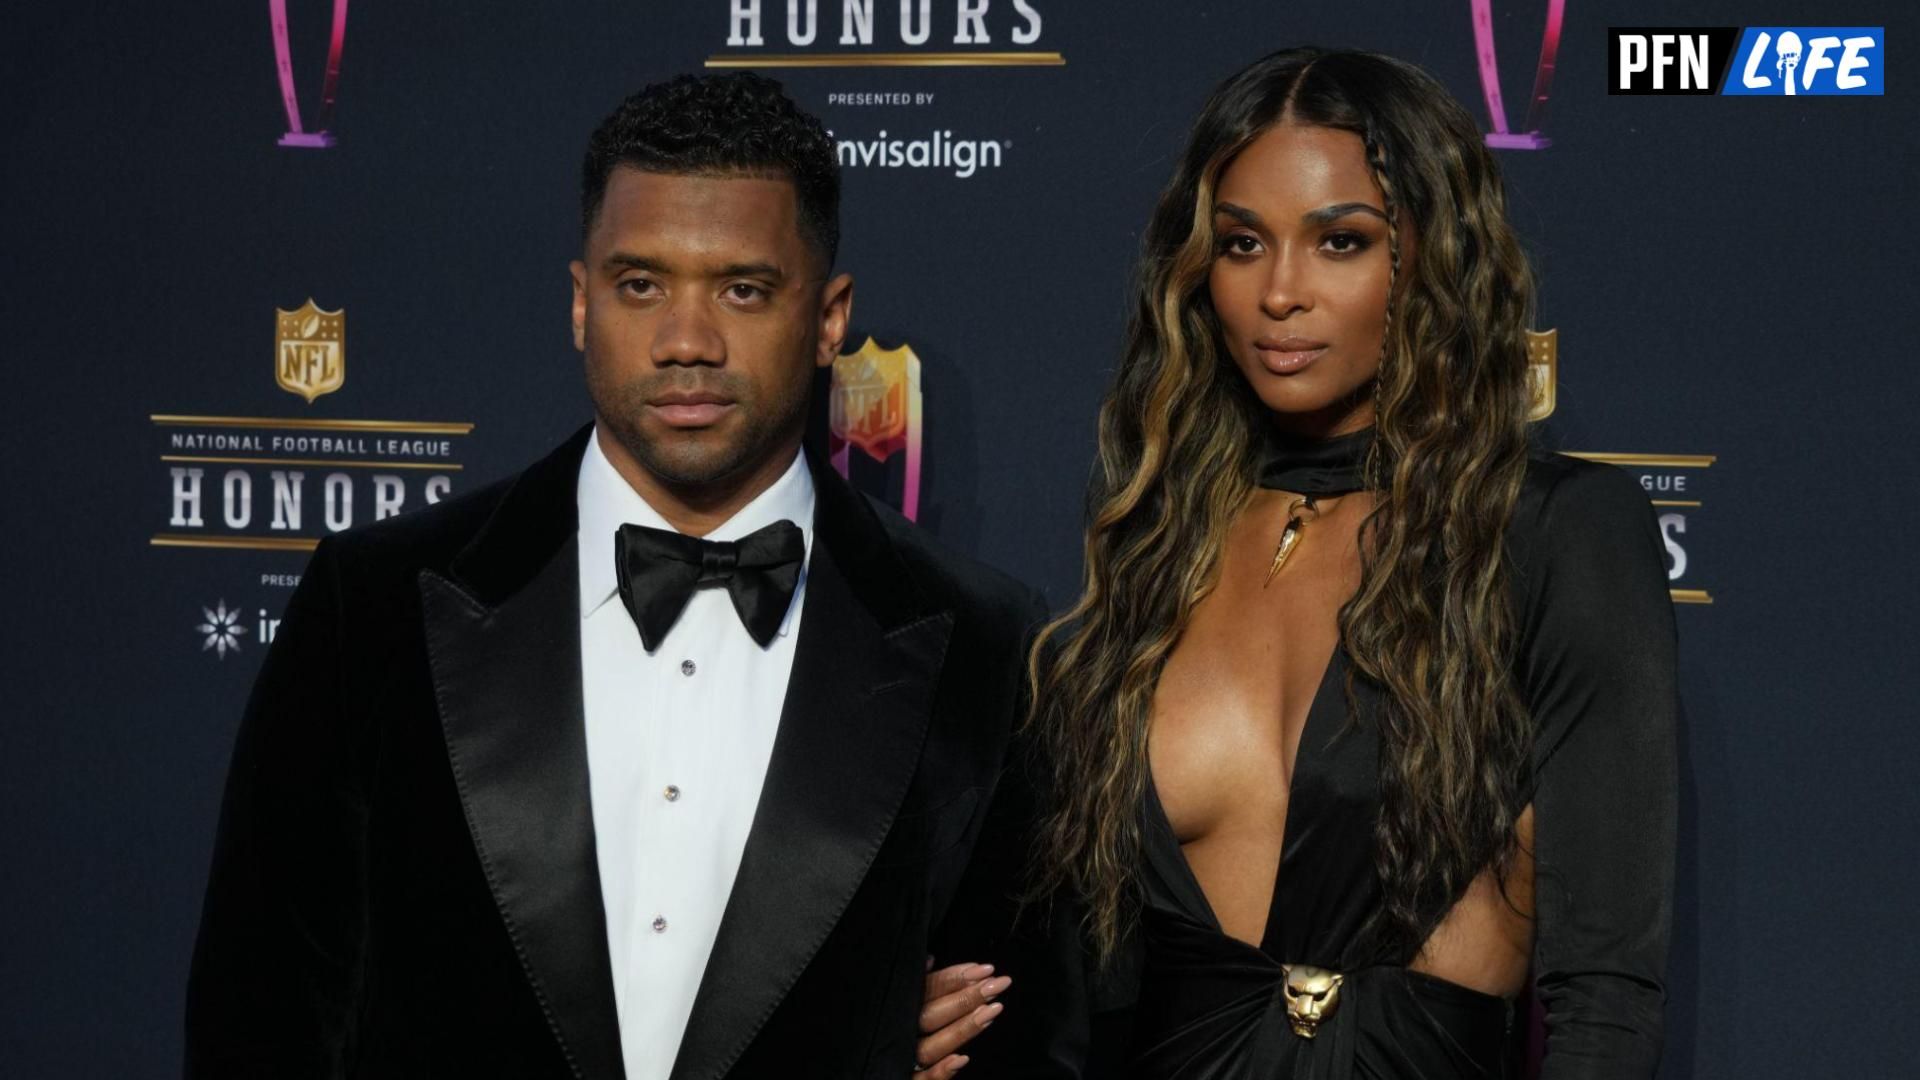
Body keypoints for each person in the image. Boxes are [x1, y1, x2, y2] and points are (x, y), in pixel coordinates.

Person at [185, 72, 1044, 1079]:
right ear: (582, 303)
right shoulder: (373, 604)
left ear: (828, 317)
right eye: (642, 285)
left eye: (743, 289)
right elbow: (266, 1020)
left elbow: (1031, 1036)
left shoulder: (986, 645)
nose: (687, 343)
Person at [939, 47, 1679, 1077]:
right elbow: (1073, 983)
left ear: (1429, 255)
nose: (1280, 293)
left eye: (1340, 242)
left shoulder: (1552, 533)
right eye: (1243, 244)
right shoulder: (1164, 538)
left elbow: (1604, 994)